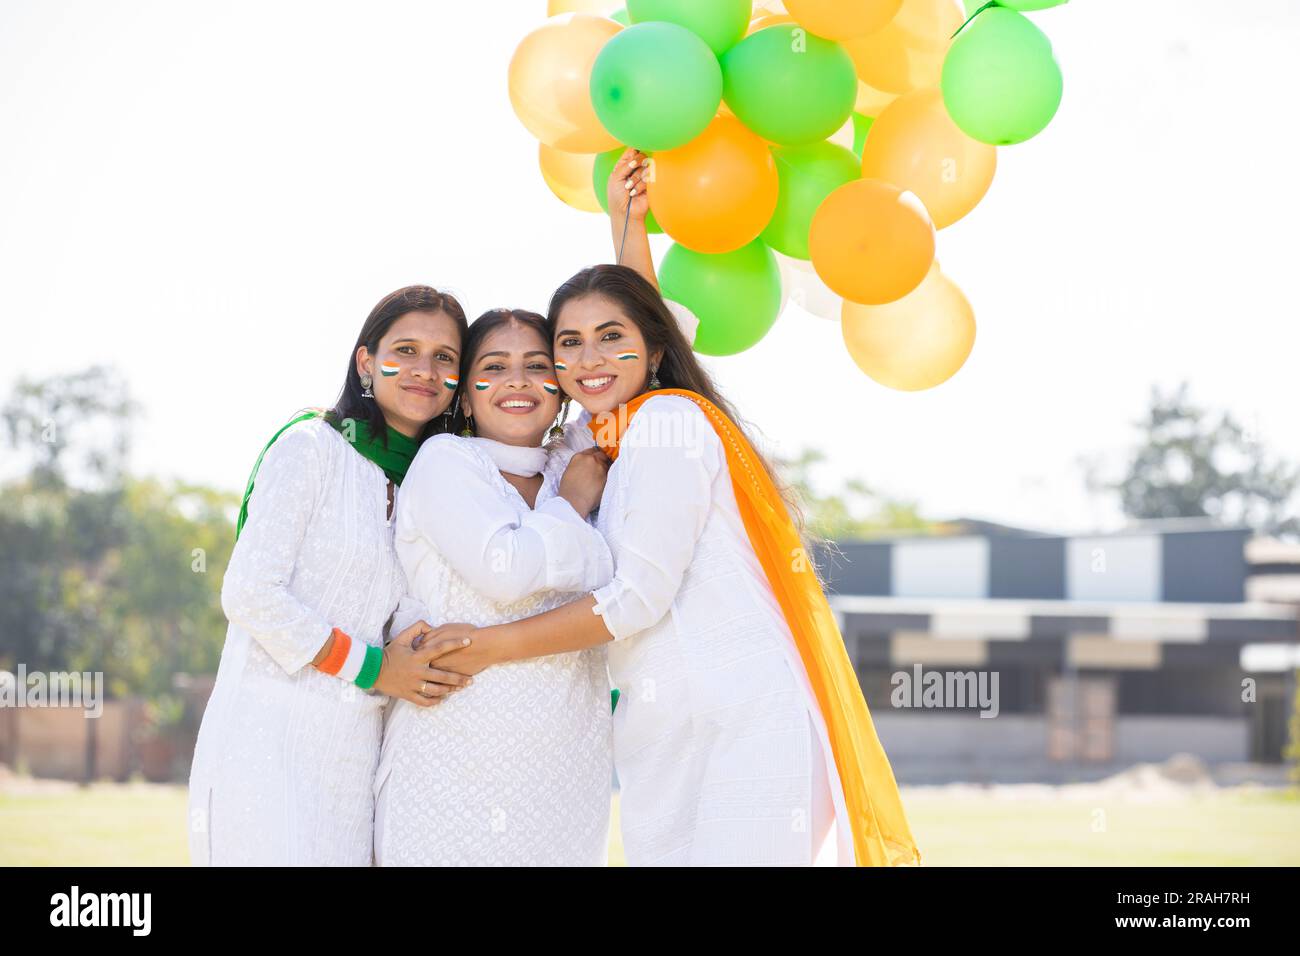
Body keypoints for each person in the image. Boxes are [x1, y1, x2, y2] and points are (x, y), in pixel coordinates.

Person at [419, 157, 922, 867]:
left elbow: (635, 599)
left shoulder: (667, 426)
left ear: (655, 349)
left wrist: (487, 646)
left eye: (610, 337)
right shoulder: (598, 439)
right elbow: (629, 332)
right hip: (665, 740)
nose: (589, 357)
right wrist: (629, 224)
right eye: (569, 344)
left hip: (743, 723)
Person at [187, 285, 476, 866]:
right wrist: (376, 667)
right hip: (266, 745)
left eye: (445, 357)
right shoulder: (312, 446)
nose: (425, 370)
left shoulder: (437, 484)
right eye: (407, 350)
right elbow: (250, 592)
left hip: (354, 760)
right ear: (366, 362)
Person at [374, 308, 616, 866]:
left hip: (566, 768)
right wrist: (575, 505)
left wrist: (628, 228)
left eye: (537, 366)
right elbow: (503, 570)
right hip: (451, 763)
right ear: (464, 396)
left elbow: (649, 360)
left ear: (562, 387)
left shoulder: (571, 460)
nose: (517, 381)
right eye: (494, 366)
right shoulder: (447, 462)